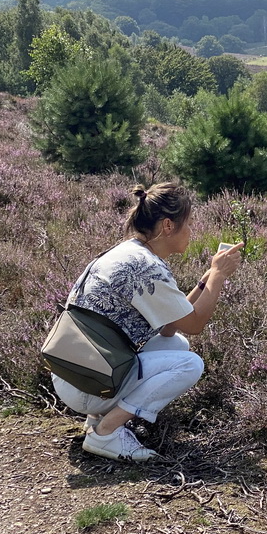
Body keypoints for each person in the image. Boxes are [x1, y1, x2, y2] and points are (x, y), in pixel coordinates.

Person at [51, 182, 243, 461]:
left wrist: (204, 281)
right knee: (190, 364)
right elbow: (196, 323)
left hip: (74, 373)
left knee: (175, 344)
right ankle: (106, 433)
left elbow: (170, 327)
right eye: (187, 224)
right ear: (168, 226)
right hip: (88, 384)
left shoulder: (129, 253)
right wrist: (218, 276)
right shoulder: (146, 267)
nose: (191, 232)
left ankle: (98, 419)